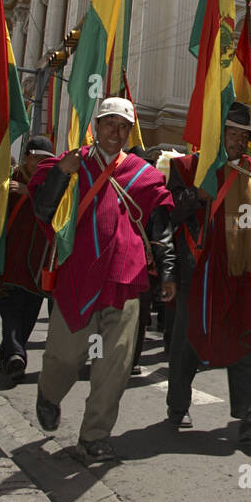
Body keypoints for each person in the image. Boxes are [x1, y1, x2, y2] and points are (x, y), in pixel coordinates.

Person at [29, 96, 176, 462]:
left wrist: (168, 270)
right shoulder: (72, 164)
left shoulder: (143, 174)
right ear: (96, 126)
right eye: (109, 123)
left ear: (129, 133)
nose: (116, 132)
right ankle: (48, 393)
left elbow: (160, 227)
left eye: (123, 126)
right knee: (66, 355)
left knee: (116, 363)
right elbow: (44, 211)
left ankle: (93, 435)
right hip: (77, 276)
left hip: (125, 279)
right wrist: (62, 173)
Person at [167, 103, 251, 444]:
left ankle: (249, 413)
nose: (239, 141)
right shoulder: (189, 167)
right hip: (198, 269)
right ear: (219, 135)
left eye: (244, 135)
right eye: (232, 133)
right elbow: (169, 213)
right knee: (187, 341)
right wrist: (196, 197)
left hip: (239, 270)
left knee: (243, 335)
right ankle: (177, 406)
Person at [0, 135, 54, 383]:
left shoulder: (51, 185)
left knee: (29, 311)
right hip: (11, 257)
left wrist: (31, 194)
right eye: (37, 159)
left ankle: (9, 352)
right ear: (27, 157)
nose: (40, 164)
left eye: (45, 161)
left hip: (38, 261)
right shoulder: (9, 181)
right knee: (10, 308)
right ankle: (17, 354)